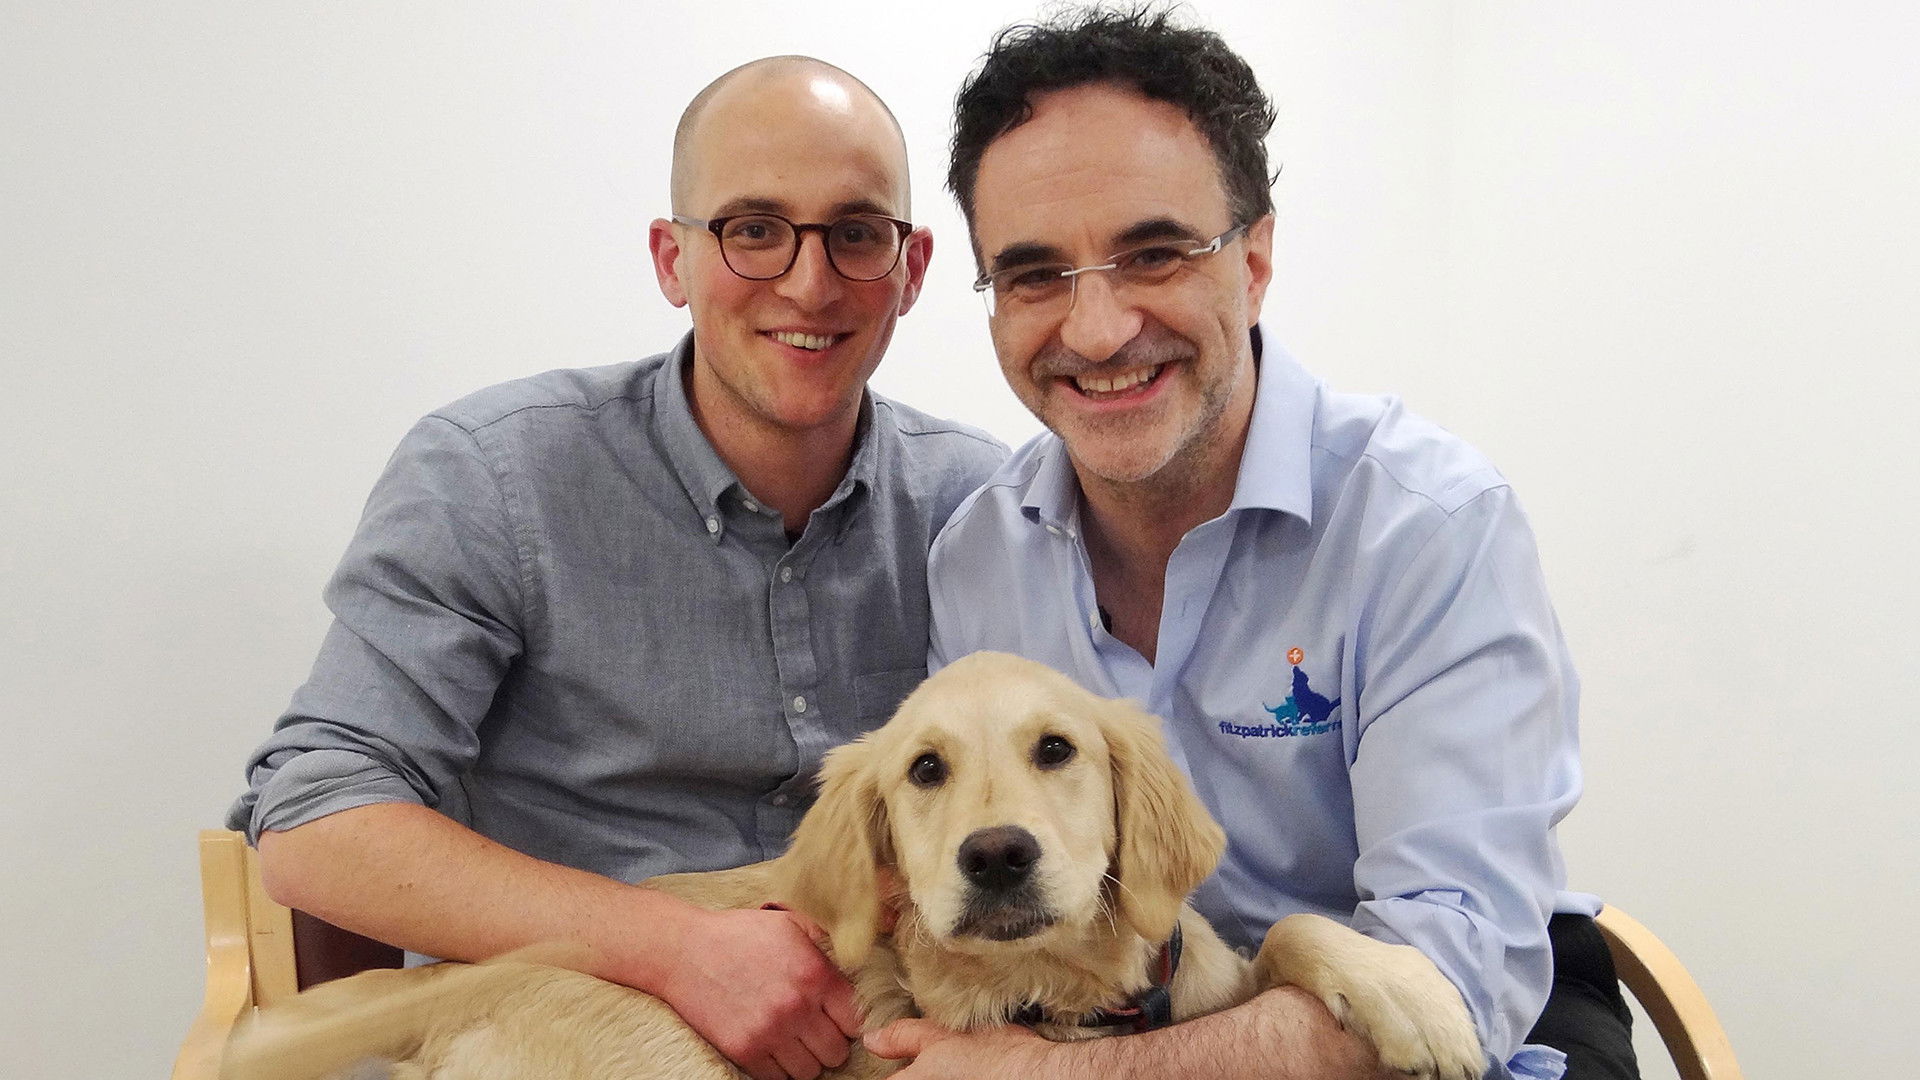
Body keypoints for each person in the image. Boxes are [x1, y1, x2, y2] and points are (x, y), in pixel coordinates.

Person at [869, 9, 1636, 1080]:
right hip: (1118, 1003)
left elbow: (1450, 990)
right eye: (1035, 274)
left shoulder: (1428, 526)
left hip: (1449, 1018)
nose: (1097, 330)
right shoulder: (977, 558)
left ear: (1257, 258)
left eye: (1154, 254)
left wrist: (1052, 1077)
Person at [227, 56, 1004, 1080]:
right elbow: (316, 820)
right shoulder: (492, 475)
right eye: (753, 230)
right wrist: (675, 949)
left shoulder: (984, 506)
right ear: (672, 260)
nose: (809, 284)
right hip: (571, 1040)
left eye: (856, 234)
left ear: (911, 267)